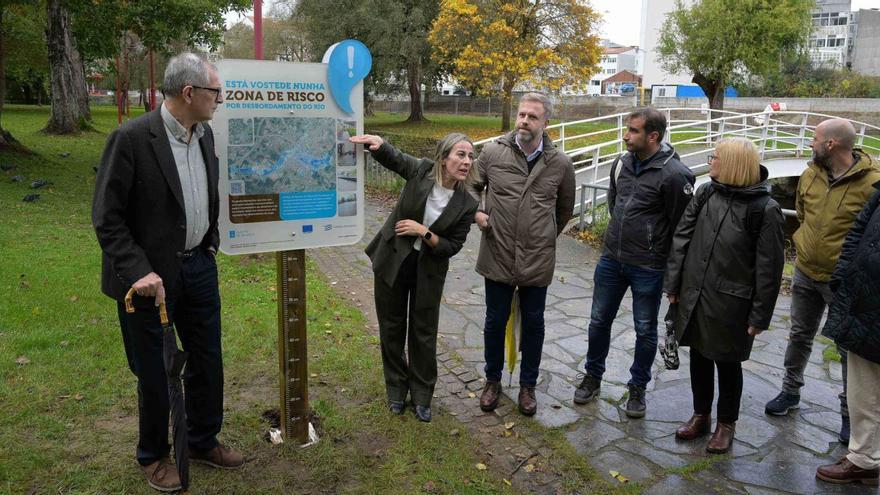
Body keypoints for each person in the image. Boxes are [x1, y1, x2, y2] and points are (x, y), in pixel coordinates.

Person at [92, 53, 243, 492]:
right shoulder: (132, 138)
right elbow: (107, 217)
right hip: (148, 283)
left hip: (197, 267)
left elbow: (202, 195)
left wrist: (208, 242)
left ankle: (200, 439)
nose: (221, 99)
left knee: (207, 359)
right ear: (189, 93)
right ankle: (153, 455)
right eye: (216, 92)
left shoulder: (204, 133)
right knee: (156, 370)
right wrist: (139, 271)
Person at [664, 138, 785, 454]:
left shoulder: (765, 209)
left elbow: (769, 268)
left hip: (733, 303)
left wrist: (760, 315)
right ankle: (701, 415)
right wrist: (673, 286)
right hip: (696, 293)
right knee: (699, 356)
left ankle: (726, 425)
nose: (710, 162)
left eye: (714, 157)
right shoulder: (706, 193)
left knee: (728, 365)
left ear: (731, 164)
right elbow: (682, 239)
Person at [574, 107, 695, 418]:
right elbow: (616, 204)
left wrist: (671, 273)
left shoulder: (675, 174)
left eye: (633, 131)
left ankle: (637, 387)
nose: (625, 135)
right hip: (612, 260)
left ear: (652, 136)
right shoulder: (622, 163)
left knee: (644, 330)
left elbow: (681, 226)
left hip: (649, 266)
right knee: (598, 322)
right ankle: (593, 377)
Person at [765, 118, 880, 444]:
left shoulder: (872, 181)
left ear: (831, 144)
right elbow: (801, 212)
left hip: (844, 281)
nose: (810, 143)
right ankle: (790, 392)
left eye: (814, 138)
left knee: (847, 349)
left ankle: (849, 413)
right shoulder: (811, 173)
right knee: (799, 334)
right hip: (805, 271)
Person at [351, 133, 479, 423]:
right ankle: (396, 388)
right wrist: (379, 144)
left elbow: (452, 246)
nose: (467, 162)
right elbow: (396, 159)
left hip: (429, 272)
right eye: (460, 154)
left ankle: (422, 395)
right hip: (393, 260)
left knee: (423, 333)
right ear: (443, 157)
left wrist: (425, 232)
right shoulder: (421, 170)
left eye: (470, 157)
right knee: (392, 328)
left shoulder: (466, 204)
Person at [475, 92, 575, 416]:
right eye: (521, 115)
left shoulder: (559, 164)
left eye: (532, 117)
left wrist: (543, 235)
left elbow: (564, 210)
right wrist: (478, 213)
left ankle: (528, 386)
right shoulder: (492, 153)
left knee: (534, 324)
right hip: (498, 253)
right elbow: (470, 187)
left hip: (537, 259)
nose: (524, 121)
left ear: (546, 123)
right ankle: (492, 381)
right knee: (494, 322)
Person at [816, 186, 880, 486]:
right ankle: (864, 459)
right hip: (866, 303)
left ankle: (866, 459)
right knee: (863, 387)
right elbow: (857, 232)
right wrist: (844, 275)